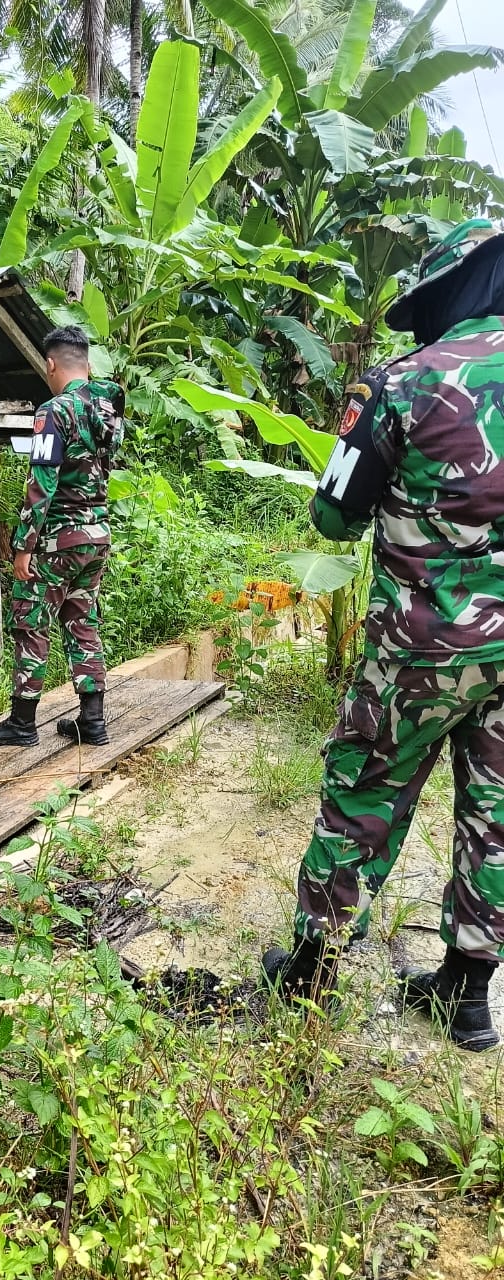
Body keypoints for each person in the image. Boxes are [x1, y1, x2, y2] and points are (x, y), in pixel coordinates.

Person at [261, 219, 504, 1053]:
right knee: (497, 811)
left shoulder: (404, 382)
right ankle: (468, 998)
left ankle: (311, 972)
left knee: (363, 789)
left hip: (422, 649)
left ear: (450, 291)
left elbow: (334, 515)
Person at [0, 325, 124, 748]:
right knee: (82, 622)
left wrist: (23, 545)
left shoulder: (53, 411)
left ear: (51, 364)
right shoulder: (108, 411)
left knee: (31, 623)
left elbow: (41, 483)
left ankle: (22, 724)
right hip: (97, 535)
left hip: (58, 540)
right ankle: (92, 722)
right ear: (87, 364)